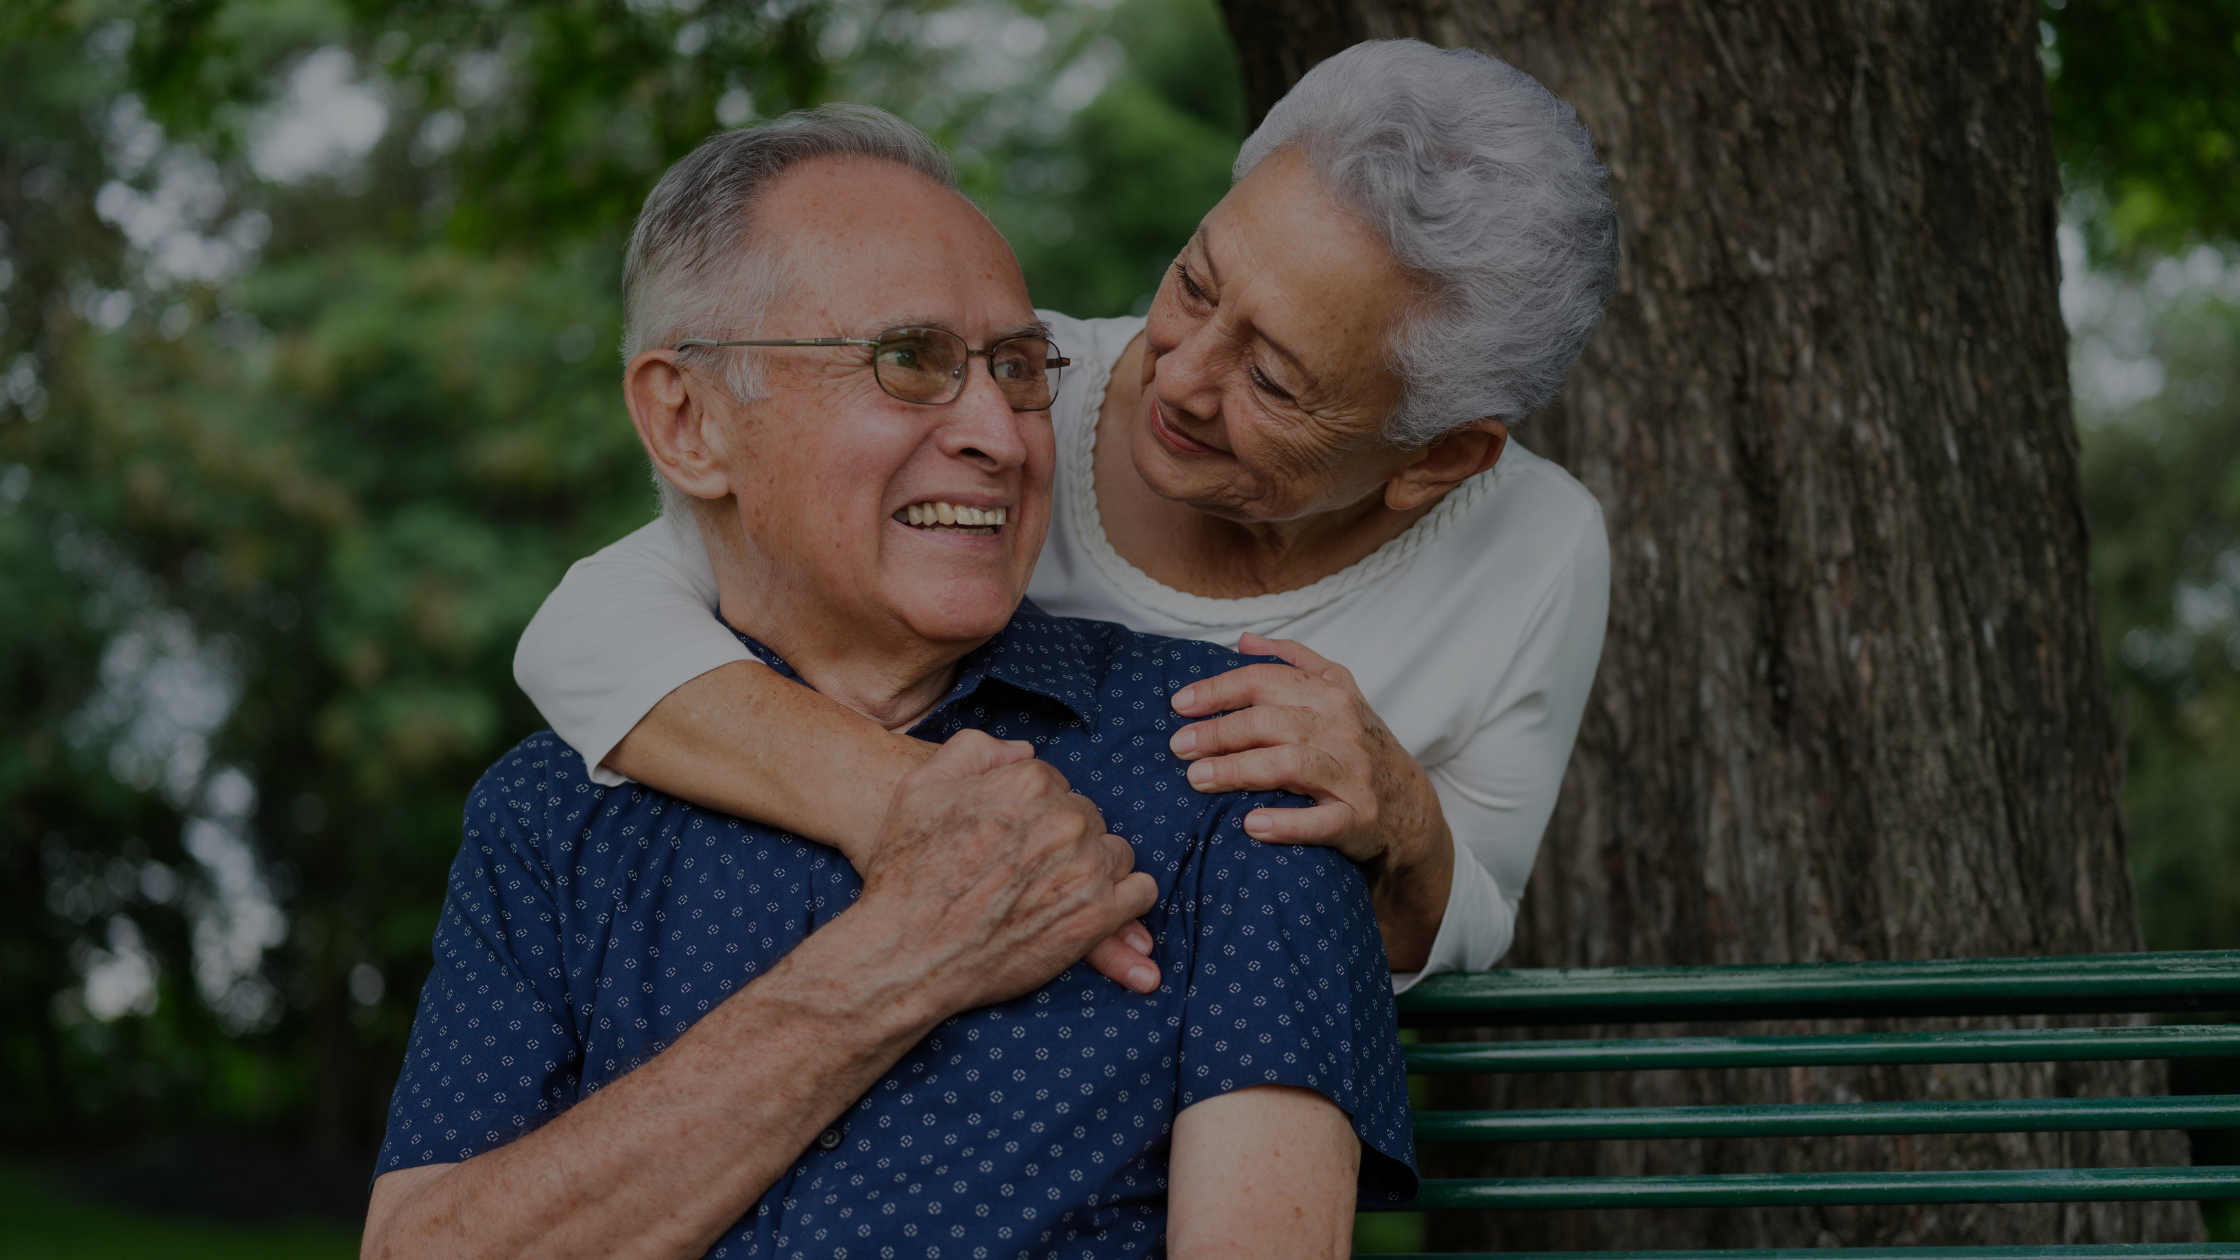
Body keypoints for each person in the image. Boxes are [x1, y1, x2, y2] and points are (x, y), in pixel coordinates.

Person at [362, 108, 1413, 1260]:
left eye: (1016, 370)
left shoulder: (1230, 753)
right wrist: (892, 964)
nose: (1001, 438)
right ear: (688, 421)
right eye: (908, 361)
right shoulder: (549, 816)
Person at [513, 39, 1620, 989]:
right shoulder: (996, 394)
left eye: (1274, 384)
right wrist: (912, 804)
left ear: (1437, 458)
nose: (1177, 374)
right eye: (1193, 283)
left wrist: (1403, 818)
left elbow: (1465, 914)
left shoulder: (1534, 545)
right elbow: (587, 632)